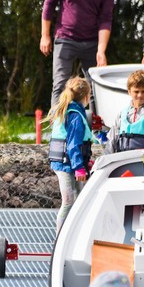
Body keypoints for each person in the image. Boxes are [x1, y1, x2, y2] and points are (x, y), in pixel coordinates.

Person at [40, 0, 115, 107]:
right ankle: (58, 128)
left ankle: (98, 129)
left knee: (96, 86)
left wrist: (101, 50)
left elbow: (106, 18)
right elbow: (49, 3)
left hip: (92, 42)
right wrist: (45, 35)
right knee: (60, 84)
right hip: (65, 38)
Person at [45, 77, 93, 232]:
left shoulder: (69, 110)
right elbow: (72, 145)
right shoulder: (75, 116)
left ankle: (77, 232)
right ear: (87, 97)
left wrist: (85, 162)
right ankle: (60, 237)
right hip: (66, 165)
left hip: (68, 162)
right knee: (68, 200)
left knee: (80, 198)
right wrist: (79, 167)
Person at [105, 70, 144, 154]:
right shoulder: (122, 114)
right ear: (129, 91)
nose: (140, 95)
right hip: (123, 160)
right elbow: (111, 140)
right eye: (136, 91)